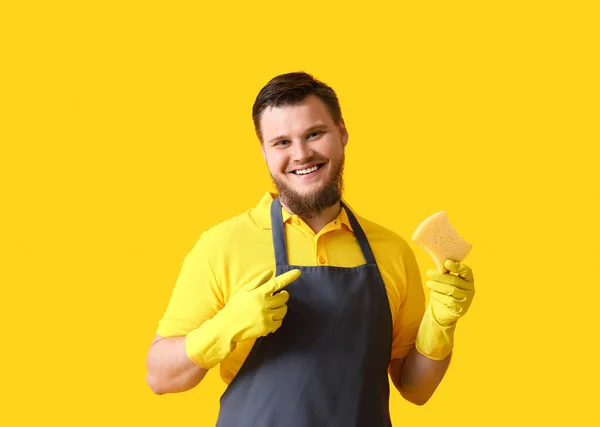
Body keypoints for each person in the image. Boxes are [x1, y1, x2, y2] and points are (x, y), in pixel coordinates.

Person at [145, 71, 476, 426]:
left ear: (342, 133)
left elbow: (415, 389)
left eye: (314, 134)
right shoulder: (222, 246)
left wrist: (442, 323)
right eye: (282, 142)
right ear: (264, 151)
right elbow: (160, 377)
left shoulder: (392, 251)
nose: (301, 154)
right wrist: (223, 329)